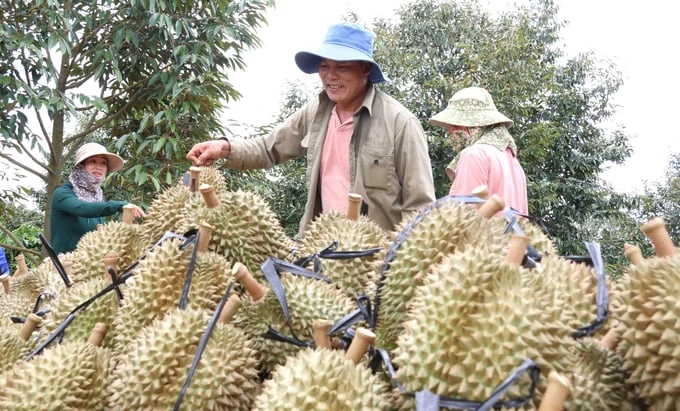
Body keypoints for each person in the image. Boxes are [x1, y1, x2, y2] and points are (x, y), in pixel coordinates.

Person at [187, 22, 435, 235]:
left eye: (343, 67)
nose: (331, 76)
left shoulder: (400, 123)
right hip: (322, 248)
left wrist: (400, 263)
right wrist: (224, 148)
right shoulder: (317, 111)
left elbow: (420, 206)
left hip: (376, 259)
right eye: (325, 66)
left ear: (365, 69)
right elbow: (267, 149)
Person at [429, 86, 528, 214]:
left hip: (484, 234)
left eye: (455, 124)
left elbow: (465, 217)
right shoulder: (512, 159)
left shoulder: (474, 155)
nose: (450, 131)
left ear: (473, 125)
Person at [49, 142, 146, 254]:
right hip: (64, 265)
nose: (99, 167)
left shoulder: (99, 197)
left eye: (103, 163)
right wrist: (120, 205)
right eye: (93, 161)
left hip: (90, 262)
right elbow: (82, 208)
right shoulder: (63, 193)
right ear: (81, 166)